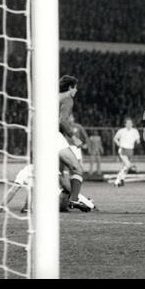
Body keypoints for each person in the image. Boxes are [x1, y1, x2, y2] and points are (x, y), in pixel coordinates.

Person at [58, 75, 89, 211]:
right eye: (75, 87)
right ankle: (74, 199)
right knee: (77, 169)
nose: (76, 90)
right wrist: (74, 137)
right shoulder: (68, 99)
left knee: (56, 173)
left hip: (39, 137)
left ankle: (65, 203)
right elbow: (63, 120)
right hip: (53, 137)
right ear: (70, 87)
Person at [113, 117, 140, 187]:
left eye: (130, 123)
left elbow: (138, 140)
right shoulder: (121, 131)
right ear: (125, 124)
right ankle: (117, 181)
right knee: (128, 165)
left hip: (130, 150)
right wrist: (119, 145)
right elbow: (115, 138)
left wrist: (138, 141)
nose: (129, 124)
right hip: (123, 150)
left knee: (125, 167)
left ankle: (122, 180)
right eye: (128, 123)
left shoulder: (135, 131)